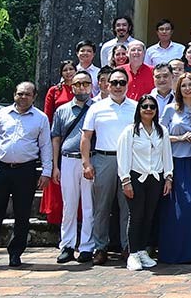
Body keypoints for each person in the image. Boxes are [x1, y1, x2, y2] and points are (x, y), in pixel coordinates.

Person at [0, 82, 53, 270]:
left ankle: (16, 253)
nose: (23, 97)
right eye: (20, 93)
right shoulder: (2, 115)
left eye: (27, 94)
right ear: (14, 95)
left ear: (34, 96)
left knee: (22, 214)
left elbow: (46, 147)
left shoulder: (40, 118)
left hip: (26, 170)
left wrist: (47, 172)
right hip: (1, 169)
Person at [80, 68, 135, 265]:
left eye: (122, 82)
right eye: (114, 83)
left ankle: (127, 247)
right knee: (101, 207)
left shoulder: (136, 107)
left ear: (127, 85)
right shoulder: (96, 107)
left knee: (127, 207)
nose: (118, 86)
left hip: (129, 160)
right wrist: (86, 163)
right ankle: (100, 247)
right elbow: (86, 137)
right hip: (104, 159)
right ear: (106, 85)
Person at [159, 73, 191, 264]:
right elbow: (160, 135)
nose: (187, 89)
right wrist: (180, 138)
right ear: (178, 89)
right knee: (180, 208)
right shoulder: (171, 110)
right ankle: (176, 251)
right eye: (183, 86)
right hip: (177, 163)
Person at [116, 95, 172, 271]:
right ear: (139, 109)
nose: (148, 109)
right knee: (136, 216)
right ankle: (132, 254)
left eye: (152, 107)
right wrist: (125, 180)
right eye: (145, 106)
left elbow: (166, 155)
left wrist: (168, 177)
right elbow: (123, 156)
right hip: (136, 178)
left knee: (149, 216)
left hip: (155, 178)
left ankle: (142, 251)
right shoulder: (130, 131)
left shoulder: (161, 130)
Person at [52, 71, 96, 263]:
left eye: (85, 83)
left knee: (89, 205)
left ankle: (87, 246)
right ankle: (67, 245)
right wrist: (55, 165)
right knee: (69, 205)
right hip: (68, 159)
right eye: (77, 84)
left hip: (90, 160)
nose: (82, 87)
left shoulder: (97, 108)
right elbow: (56, 139)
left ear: (91, 85)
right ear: (72, 87)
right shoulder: (62, 110)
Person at [41, 60, 77, 228]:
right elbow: (47, 116)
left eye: (71, 69)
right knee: (57, 179)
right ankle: (56, 219)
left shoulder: (81, 90)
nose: (69, 72)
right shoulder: (54, 91)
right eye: (65, 70)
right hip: (57, 138)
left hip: (75, 141)